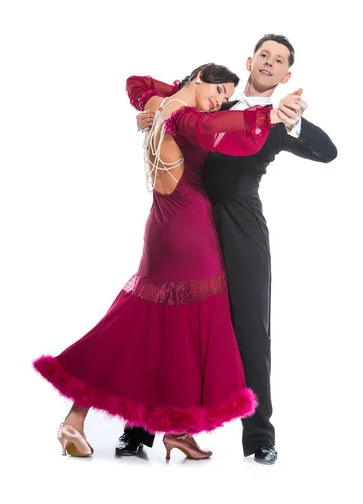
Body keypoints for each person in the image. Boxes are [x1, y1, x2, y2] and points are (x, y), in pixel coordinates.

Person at [33, 63, 292, 460]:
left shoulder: (167, 107)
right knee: (181, 324)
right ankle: (159, 428)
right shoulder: (186, 118)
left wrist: (158, 100)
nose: (219, 100)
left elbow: (136, 83)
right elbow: (210, 131)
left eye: (225, 96)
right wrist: (269, 115)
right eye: (218, 90)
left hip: (162, 226)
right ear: (199, 78)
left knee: (155, 324)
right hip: (191, 228)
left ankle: (116, 423)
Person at [125, 34, 337, 464]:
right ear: (250, 60)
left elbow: (328, 153)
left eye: (279, 60)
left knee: (251, 333)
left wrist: (292, 121)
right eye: (264, 55)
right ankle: (140, 430)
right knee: (169, 318)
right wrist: (152, 110)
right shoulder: (214, 99)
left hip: (242, 229)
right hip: (189, 223)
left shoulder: (277, 121)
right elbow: (145, 88)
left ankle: (259, 437)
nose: (269, 62)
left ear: (286, 74)